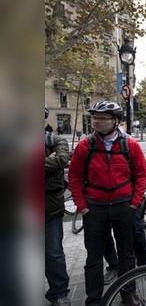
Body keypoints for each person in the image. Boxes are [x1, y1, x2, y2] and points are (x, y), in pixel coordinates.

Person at [68, 100, 146, 306]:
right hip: (95, 209)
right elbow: (75, 178)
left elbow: (141, 175)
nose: (97, 122)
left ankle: (128, 294)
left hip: (124, 207)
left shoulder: (130, 145)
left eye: (102, 118)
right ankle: (94, 299)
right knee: (93, 258)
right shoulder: (85, 146)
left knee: (127, 254)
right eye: (95, 118)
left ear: (116, 121)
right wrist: (82, 206)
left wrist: (135, 202)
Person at [45, 105, 72, 306]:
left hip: (49, 207)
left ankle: (59, 293)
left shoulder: (55, 140)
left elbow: (62, 159)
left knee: (53, 253)